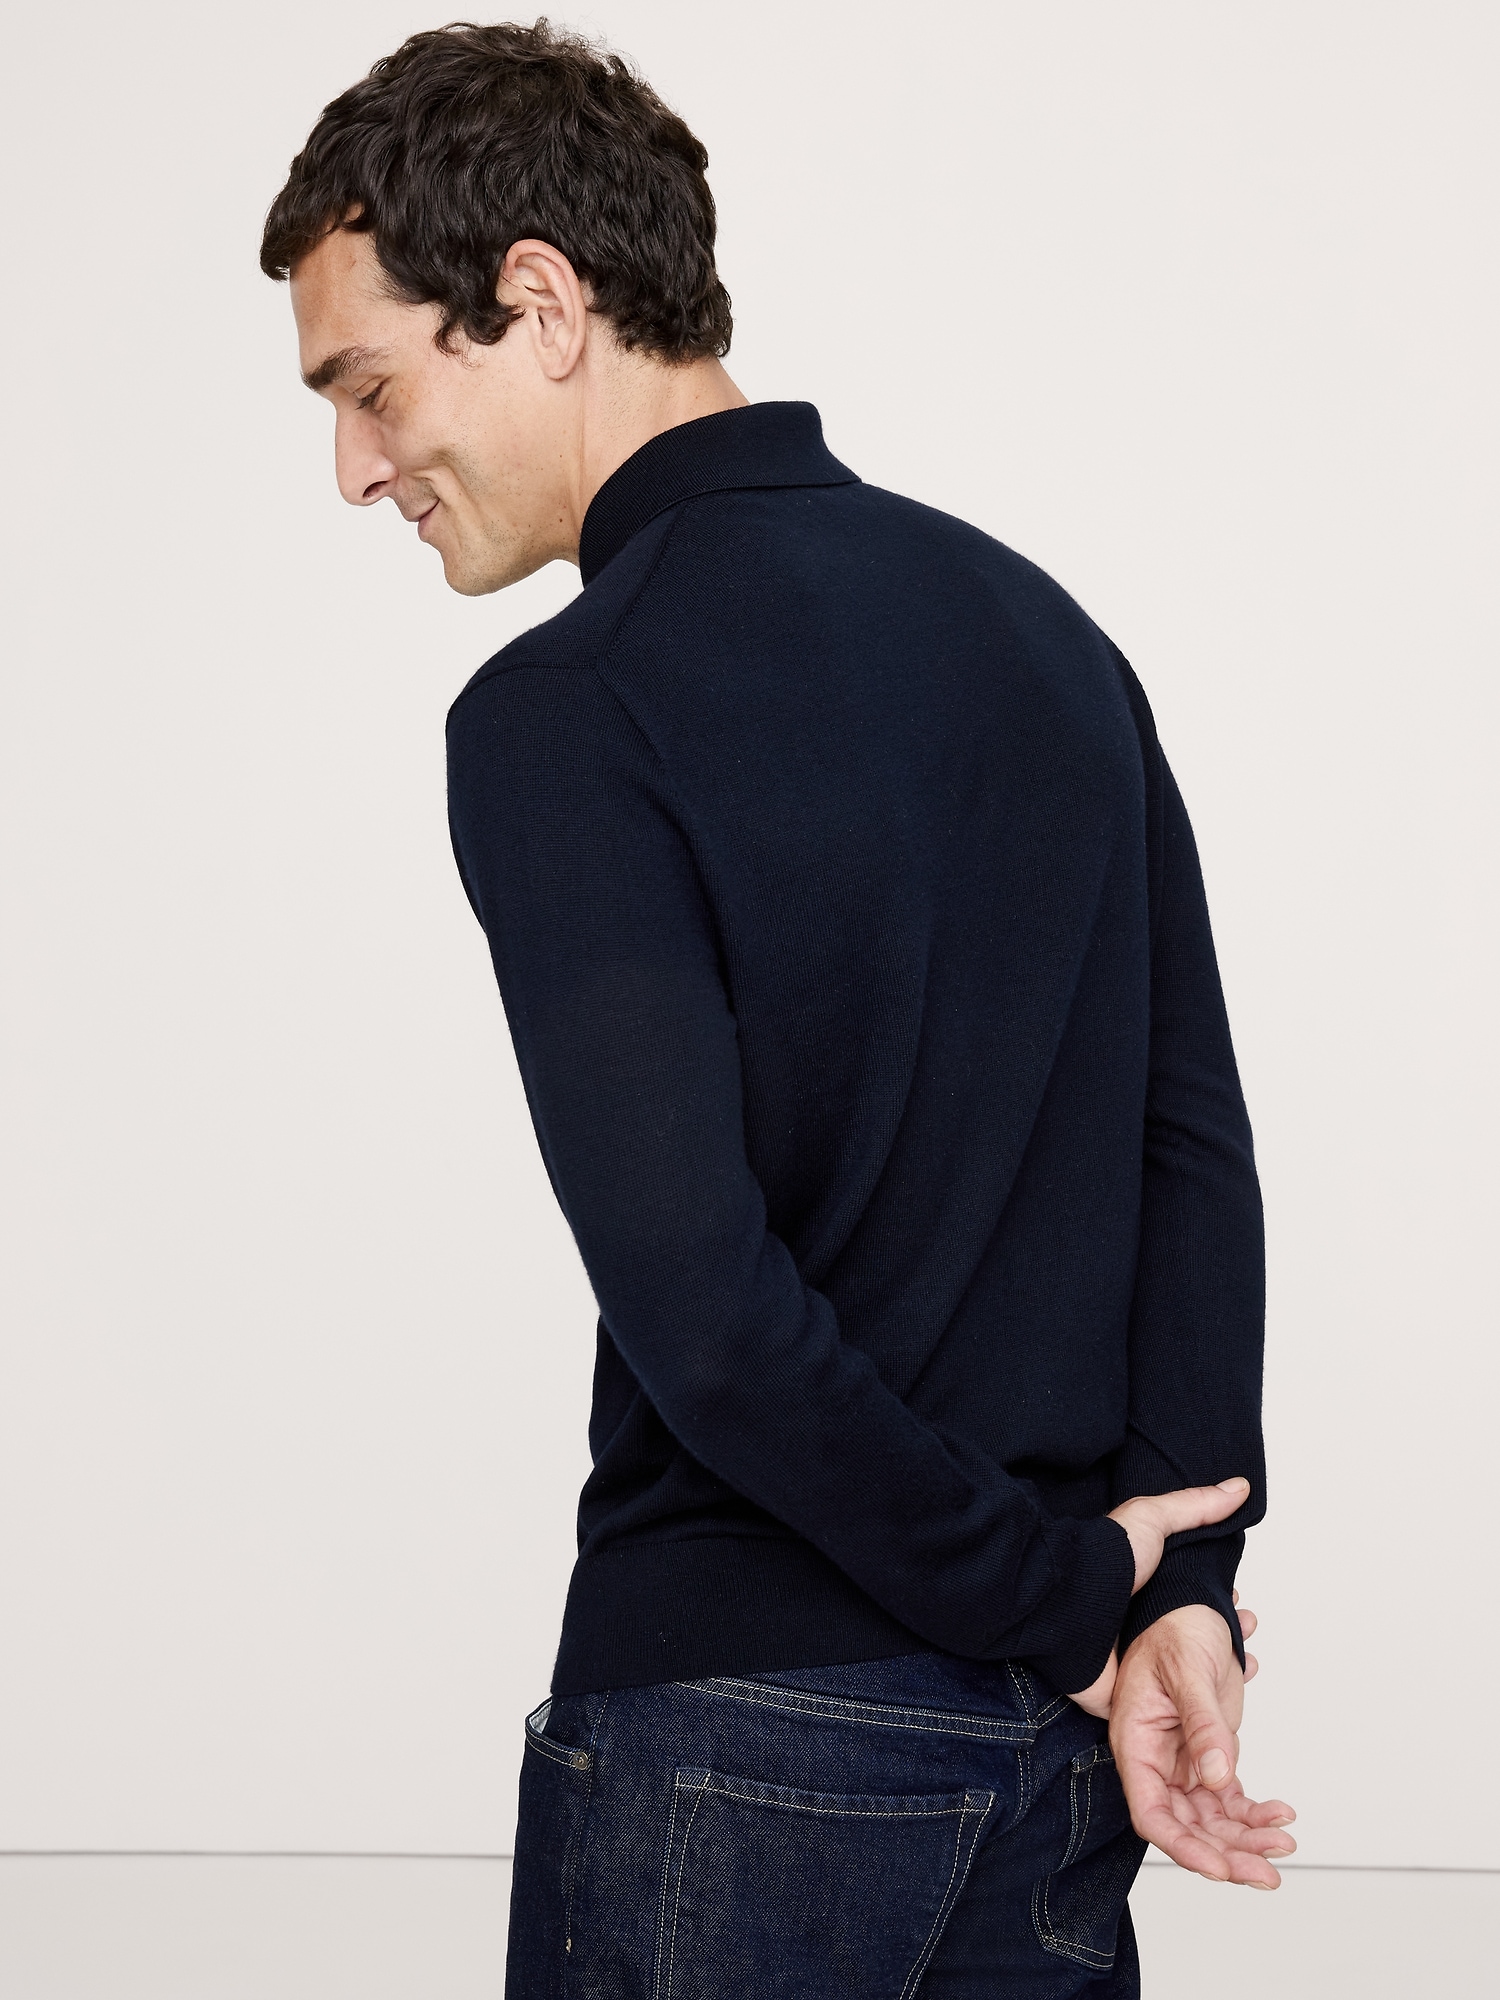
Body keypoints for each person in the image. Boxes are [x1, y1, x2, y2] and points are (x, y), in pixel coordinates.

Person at [261, 19, 1295, 1995]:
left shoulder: (571, 710)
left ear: (540, 303)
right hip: (1058, 1757)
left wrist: (1068, 1594)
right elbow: (1192, 1155)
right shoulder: (1048, 639)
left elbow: (717, 1323)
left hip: (741, 1741)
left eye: (370, 387)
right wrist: (1180, 1596)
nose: (355, 469)